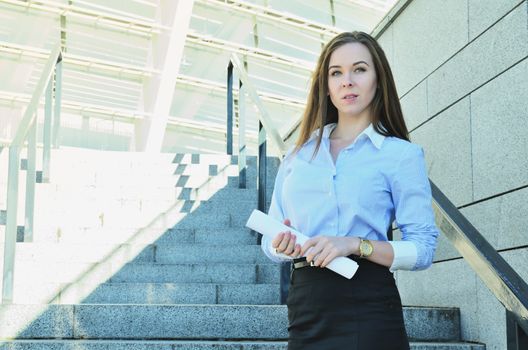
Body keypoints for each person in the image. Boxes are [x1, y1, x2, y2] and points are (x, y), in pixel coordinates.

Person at [260, 31, 440, 350]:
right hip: (306, 307)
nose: (347, 81)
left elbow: (423, 249)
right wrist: (281, 244)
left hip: (368, 305)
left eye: (359, 69)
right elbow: (270, 240)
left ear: (378, 80)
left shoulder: (400, 156)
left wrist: (356, 244)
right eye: (336, 73)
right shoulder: (297, 156)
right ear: (326, 88)